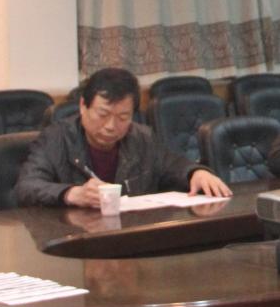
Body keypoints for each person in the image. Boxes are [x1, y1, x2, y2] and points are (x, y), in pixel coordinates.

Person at [15, 67, 231, 207]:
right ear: (83, 106)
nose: (111, 126)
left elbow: (172, 165)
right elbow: (27, 186)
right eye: (103, 114)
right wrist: (72, 194)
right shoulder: (56, 138)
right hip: (76, 239)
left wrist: (195, 173)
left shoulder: (142, 138)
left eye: (122, 117)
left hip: (129, 235)